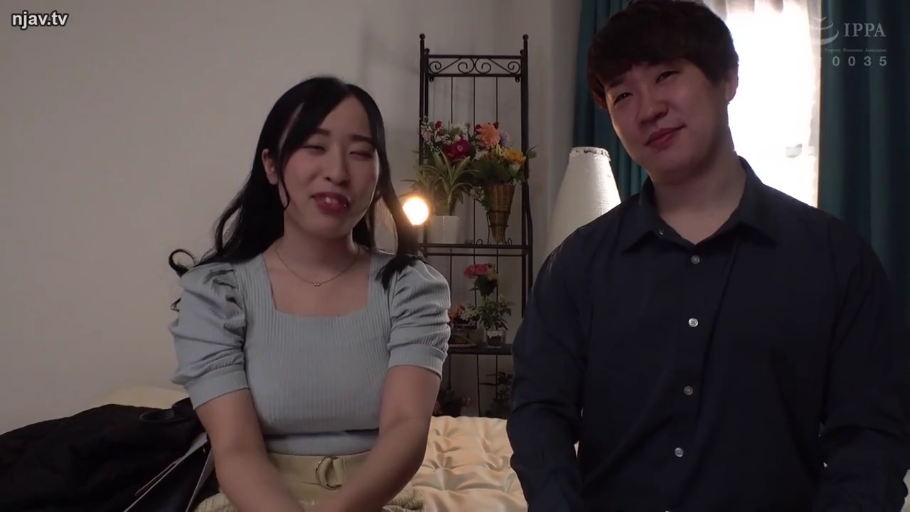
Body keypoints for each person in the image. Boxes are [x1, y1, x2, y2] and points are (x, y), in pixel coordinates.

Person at [506, 1, 910, 510]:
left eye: (667, 75)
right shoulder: (576, 265)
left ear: (728, 79)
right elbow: (539, 412)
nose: (647, 108)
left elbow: (871, 441)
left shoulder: (834, 258)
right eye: (622, 94)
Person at [167, 75, 450, 512]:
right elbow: (237, 449)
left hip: (375, 499)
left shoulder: (412, 289)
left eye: (360, 153)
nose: (337, 172)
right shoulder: (218, 293)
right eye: (314, 147)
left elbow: (405, 428)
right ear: (272, 164)